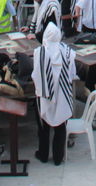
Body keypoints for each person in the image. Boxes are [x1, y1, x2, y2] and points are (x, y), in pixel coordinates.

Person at [31, 23, 75, 165]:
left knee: (43, 128)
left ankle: (43, 155)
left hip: (44, 96)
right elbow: (72, 74)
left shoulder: (40, 52)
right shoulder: (68, 52)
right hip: (62, 94)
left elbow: (36, 75)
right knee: (61, 128)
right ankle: (58, 158)